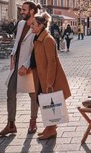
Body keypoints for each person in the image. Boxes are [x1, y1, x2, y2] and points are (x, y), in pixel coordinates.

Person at [0, 1, 41, 136]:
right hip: (16, 64)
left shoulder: (38, 25)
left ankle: (33, 122)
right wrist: (12, 55)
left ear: (32, 11)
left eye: (24, 10)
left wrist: (26, 65)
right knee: (10, 92)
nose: (21, 12)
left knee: (33, 94)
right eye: (21, 10)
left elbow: (36, 50)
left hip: (29, 66)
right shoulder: (21, 24)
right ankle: (11, 124)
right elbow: (17, 42)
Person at [30, 12, 71, 140]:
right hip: (40, 76)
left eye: (33, 25)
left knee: (50, 102)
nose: (31, 27)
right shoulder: (38, 38)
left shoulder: (47, 39)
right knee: (44, 102)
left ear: (41, 26)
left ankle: (51, 129)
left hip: (47, 78)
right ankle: (49, 127)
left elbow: (52, 62)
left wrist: (49, 82)